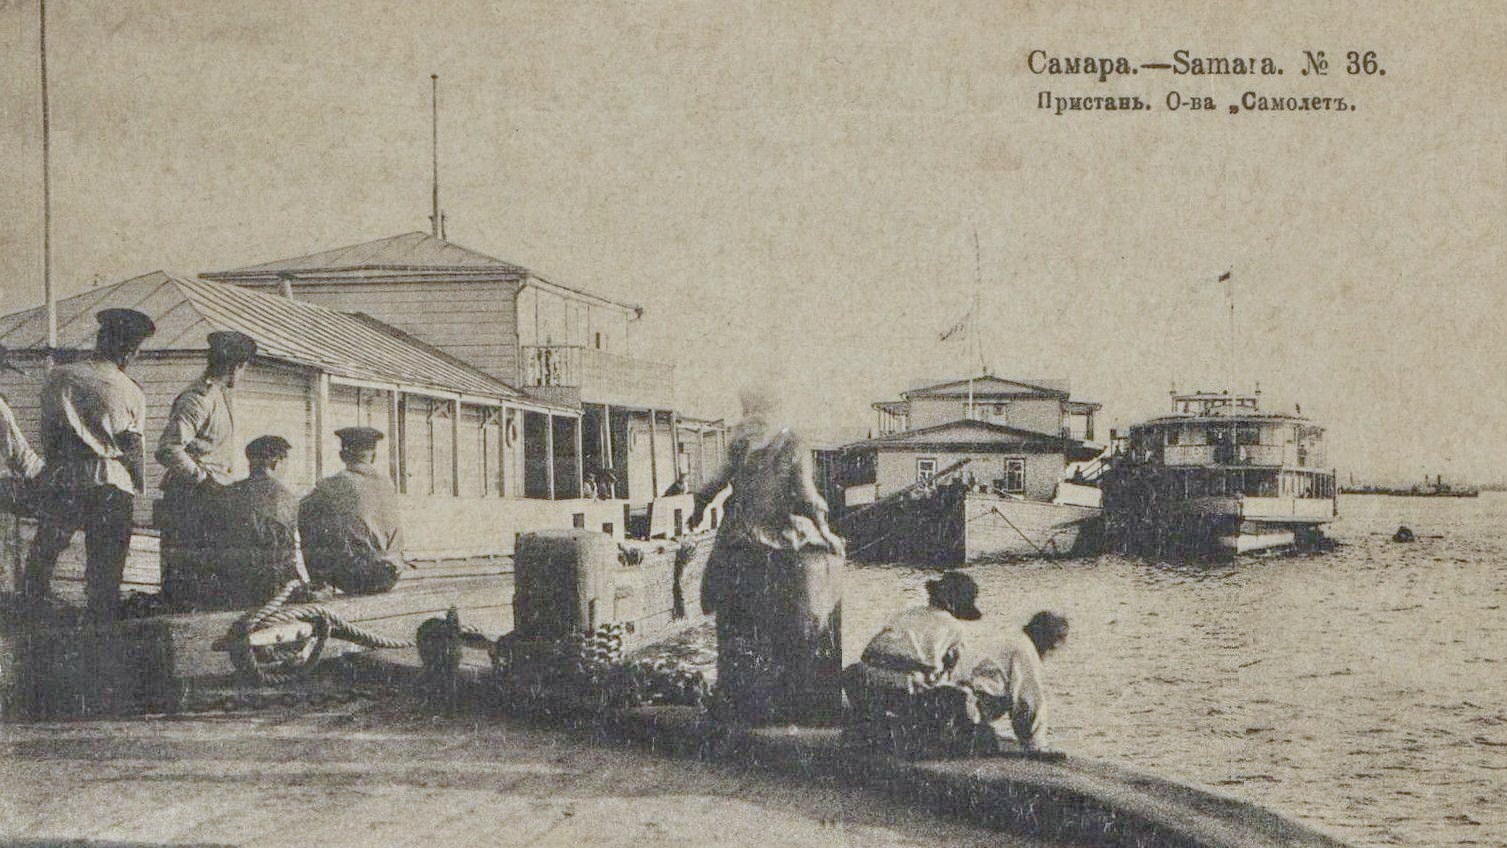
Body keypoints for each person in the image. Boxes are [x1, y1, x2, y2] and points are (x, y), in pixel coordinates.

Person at [691, 385, 845, 725]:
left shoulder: (738, 443)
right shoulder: (793, 443)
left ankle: (737, 701)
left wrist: (697, 513)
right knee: (783, 634)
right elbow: (807, 496)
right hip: (775, 545)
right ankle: (786, 705)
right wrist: (825, 533)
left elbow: (709, 487)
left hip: (734, 545)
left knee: (736, 630)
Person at [24, 308, 155, 619]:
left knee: (46, 550)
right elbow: (131, 445)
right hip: (111, 480)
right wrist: (138, 483)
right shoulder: (129, 389)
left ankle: (32, 609)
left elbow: (48, 433)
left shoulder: (60, 377)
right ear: (128, 350)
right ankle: (102, 619)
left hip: (65, 475)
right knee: (106, 568)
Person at [155, 330, 258, 608]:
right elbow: (168, 449)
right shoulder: (198, 399)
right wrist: (202, 478)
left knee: (207, 577)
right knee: (185, 578)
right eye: (244, 368)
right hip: (191, 496)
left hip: (211, 496)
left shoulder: (218, 395)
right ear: (236, 366)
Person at [842, 572, 984, 755]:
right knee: (955, 695)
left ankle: (874, 725)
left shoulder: (906, 615)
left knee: (859, 674)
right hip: (906, 689)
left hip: (864, 679)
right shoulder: (954, 628)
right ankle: (914, 731)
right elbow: (959, 672)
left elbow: (870, 651)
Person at [298, 427, 408, 595]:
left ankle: (320, 583)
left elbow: (300, 510)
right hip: (390, 574)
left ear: (342, 455)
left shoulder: (335, 483)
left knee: (310, 512)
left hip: (356, 576)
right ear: (374, 456)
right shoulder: (387, 483)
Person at [206, 435, 307, 609]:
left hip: (230, 587)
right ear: (276, 463)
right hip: (271, 590)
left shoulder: (226, 494)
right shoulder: (287, 498)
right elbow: (287, 553)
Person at [963, 610, 1069, 755]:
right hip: (966, 711)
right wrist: (1035, 743)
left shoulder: (1010, 640)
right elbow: (1027, 701)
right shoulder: (1025, 650)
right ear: (1051, 643)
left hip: (953, 701)